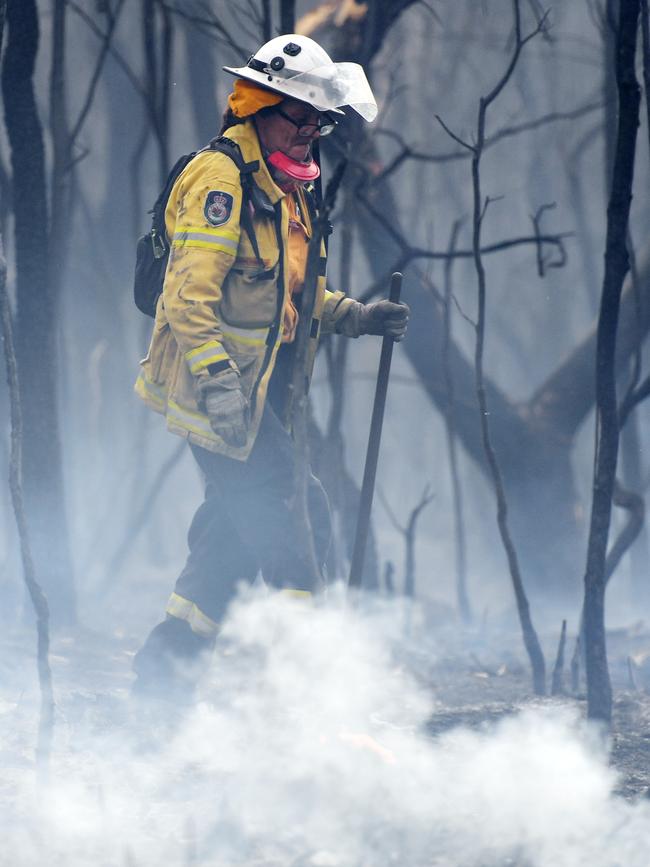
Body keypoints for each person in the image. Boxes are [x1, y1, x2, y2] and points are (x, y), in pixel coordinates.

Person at [132, 34, 410, 697]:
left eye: (321, 121)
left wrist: (356, 316)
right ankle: (306, 695)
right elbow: (186, 299)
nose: (313, 132)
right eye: (301, 117)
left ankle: (160, 683)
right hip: (216, 400)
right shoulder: (220, 181)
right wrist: (219, 382)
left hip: (260, 403)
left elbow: (291, 292)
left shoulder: (285, 189)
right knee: (294, 515)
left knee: (225, 549)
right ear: (259, 106)